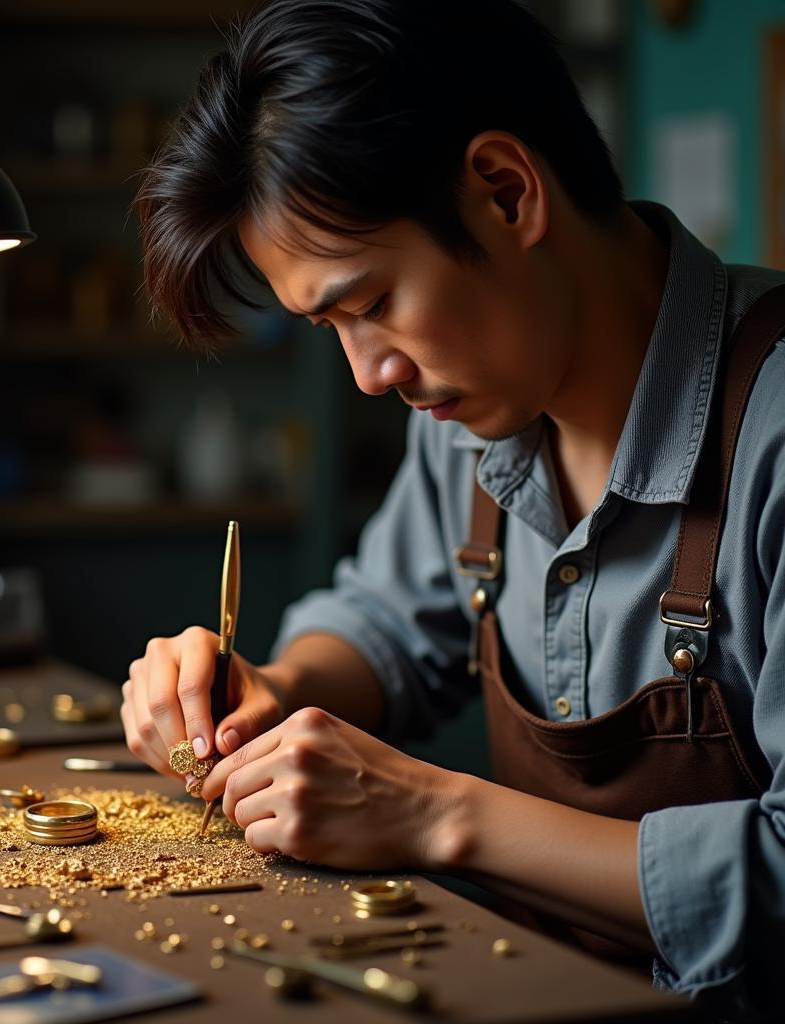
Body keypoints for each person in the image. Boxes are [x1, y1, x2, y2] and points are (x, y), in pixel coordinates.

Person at [126, 2, 785, 1019]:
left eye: (372, 301)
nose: (368, 374)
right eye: (329, 328)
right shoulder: (469, 415)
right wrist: (270, 691)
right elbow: (390, 626)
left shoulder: (773, 431)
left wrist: (437, 816)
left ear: (505, 191)